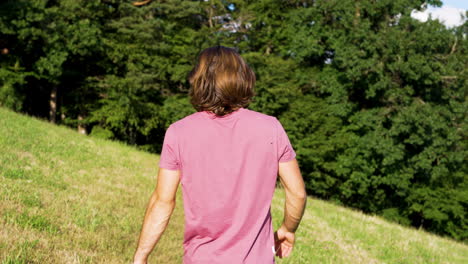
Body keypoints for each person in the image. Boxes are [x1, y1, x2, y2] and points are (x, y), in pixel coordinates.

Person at [133, 46, 307, 264]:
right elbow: (297, 193)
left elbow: (162, 202)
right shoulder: (270, 128)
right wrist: (288, 229)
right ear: (243, 78)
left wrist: (141, 255)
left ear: (198, 81)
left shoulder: (179, 132)